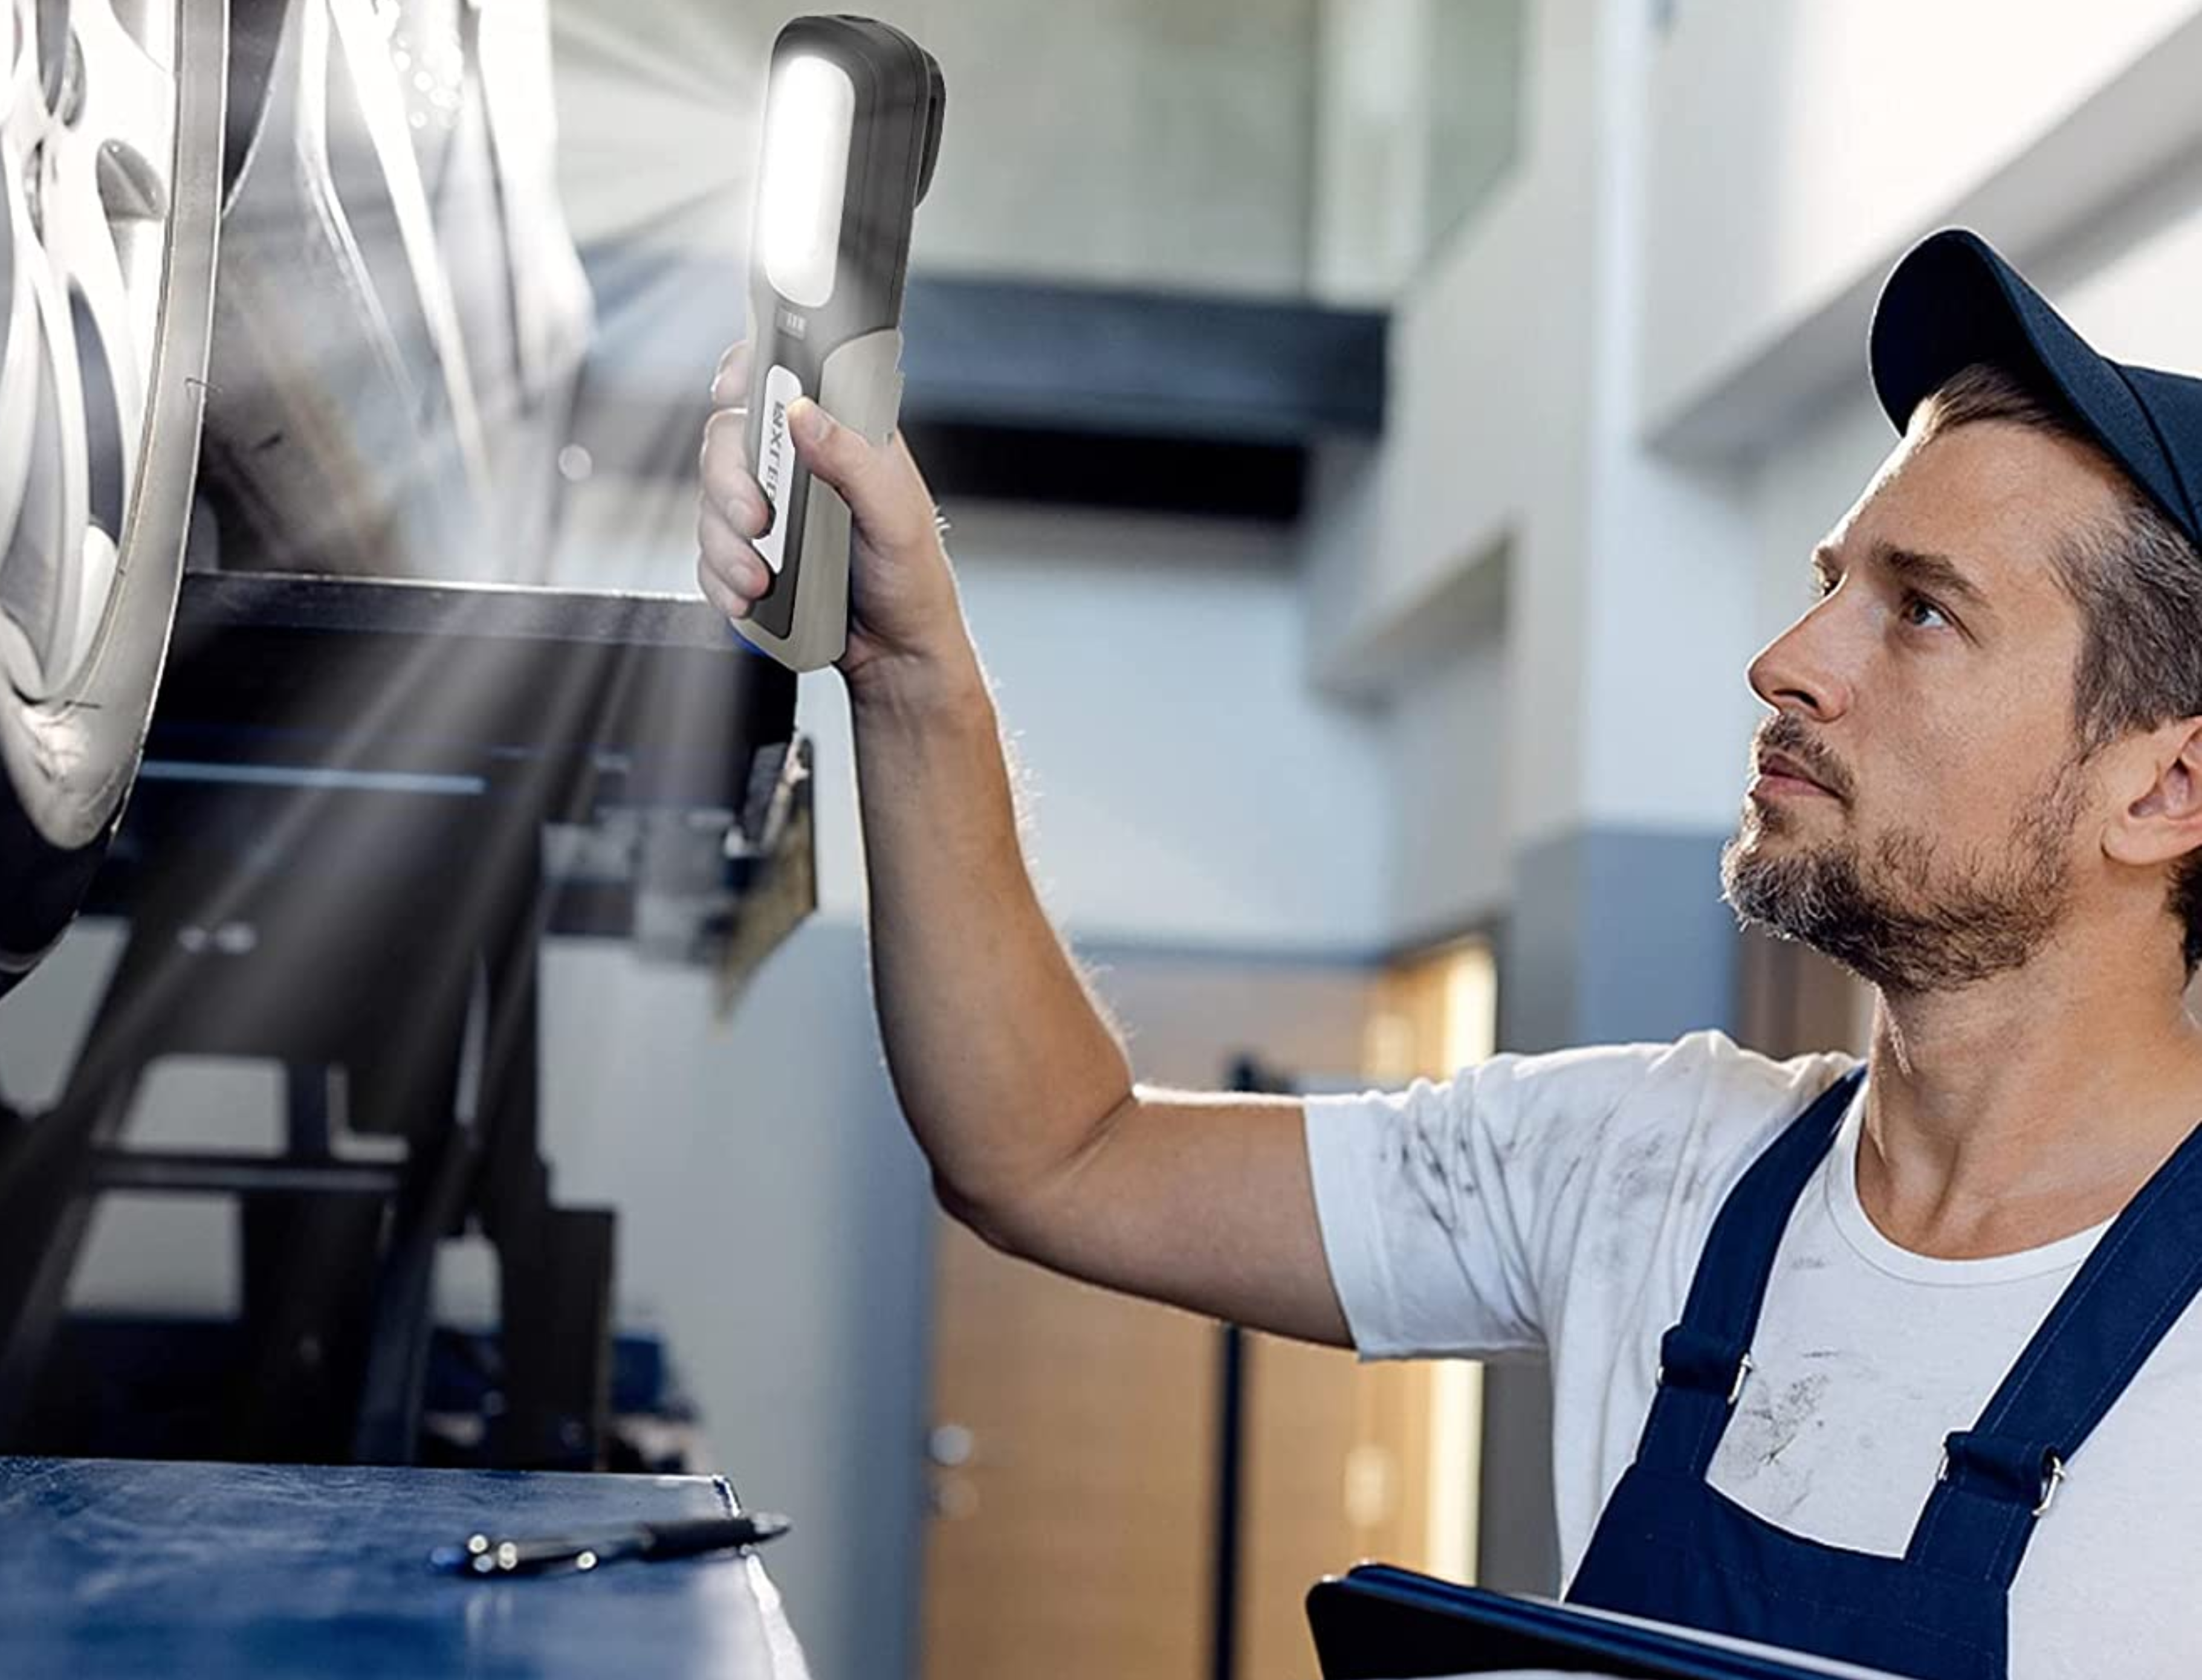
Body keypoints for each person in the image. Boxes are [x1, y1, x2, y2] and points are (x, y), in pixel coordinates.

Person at [691, 229, 2202, 1680]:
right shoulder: (1643, 1160)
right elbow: (1051, 1152)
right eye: (1828, 583)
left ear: (2163, 788)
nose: (1786, 660)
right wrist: (907, 671)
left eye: (1920, 611)